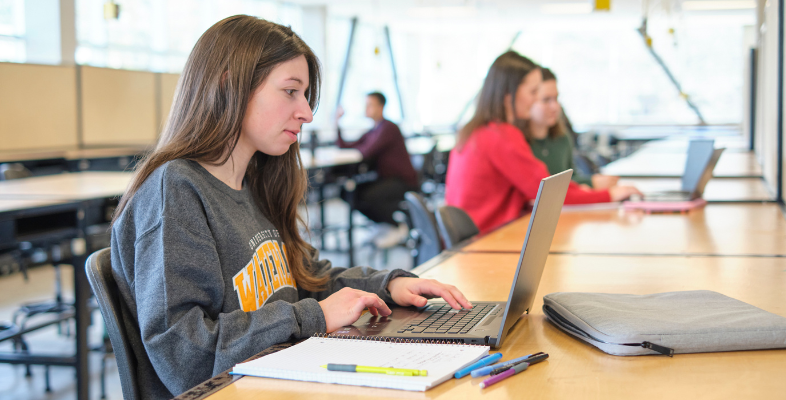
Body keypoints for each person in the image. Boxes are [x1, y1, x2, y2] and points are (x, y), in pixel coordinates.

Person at [110, 16, 471, 399]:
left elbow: (307, 278)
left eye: (305, 95)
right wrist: (312, 317)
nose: (307, 113)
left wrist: (387, 285)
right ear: (230, 84)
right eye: (290, 91)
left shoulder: (256, 183)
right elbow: (183, 352)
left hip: (281, 378)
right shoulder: (176, 190)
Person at [445, 51, 640, 233]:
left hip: (473, 240)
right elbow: (548, 192)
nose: (535, 100)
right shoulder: (501, 136)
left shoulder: (476, 131)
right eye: (532, 92)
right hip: (486, 241)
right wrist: (611, 195)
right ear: (508, 95)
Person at [335, 92, 418, 248]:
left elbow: (367, 151)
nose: (366, 108)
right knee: (347, 193)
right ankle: (383, 224)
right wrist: (337, 123)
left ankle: (396, 226)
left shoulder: (388, 128)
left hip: (401, 181)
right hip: (385, 178)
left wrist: (360, 147)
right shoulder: (374, 129)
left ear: (381, 107)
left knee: (369, 196)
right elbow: (346, 146)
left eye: (370, 105)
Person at [527, 68, 623, 190]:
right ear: (528, 101)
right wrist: (592, 183)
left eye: (556, 99)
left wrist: (593, 181)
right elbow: (542, 187)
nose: (555, 107)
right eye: (546, 100)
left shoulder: (562, 137)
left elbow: (571, 179)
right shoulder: (518, 142)